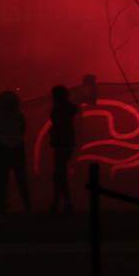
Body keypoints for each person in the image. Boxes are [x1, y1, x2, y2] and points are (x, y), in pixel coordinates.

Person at [0, 91, 31, 217]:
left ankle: (0, 208)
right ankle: (27, 206)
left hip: (1, 149)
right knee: (21, 179)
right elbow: (22, 130)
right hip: (17, 149)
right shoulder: (19, 115)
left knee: (1, 180)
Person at [48, 85, 81, 215]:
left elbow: (57, 124)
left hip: (61, 142)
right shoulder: (70, 108)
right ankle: (64, 202)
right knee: (59, 173)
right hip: (67, 142)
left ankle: (61, 202)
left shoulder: (59, 109)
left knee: (59, 173)